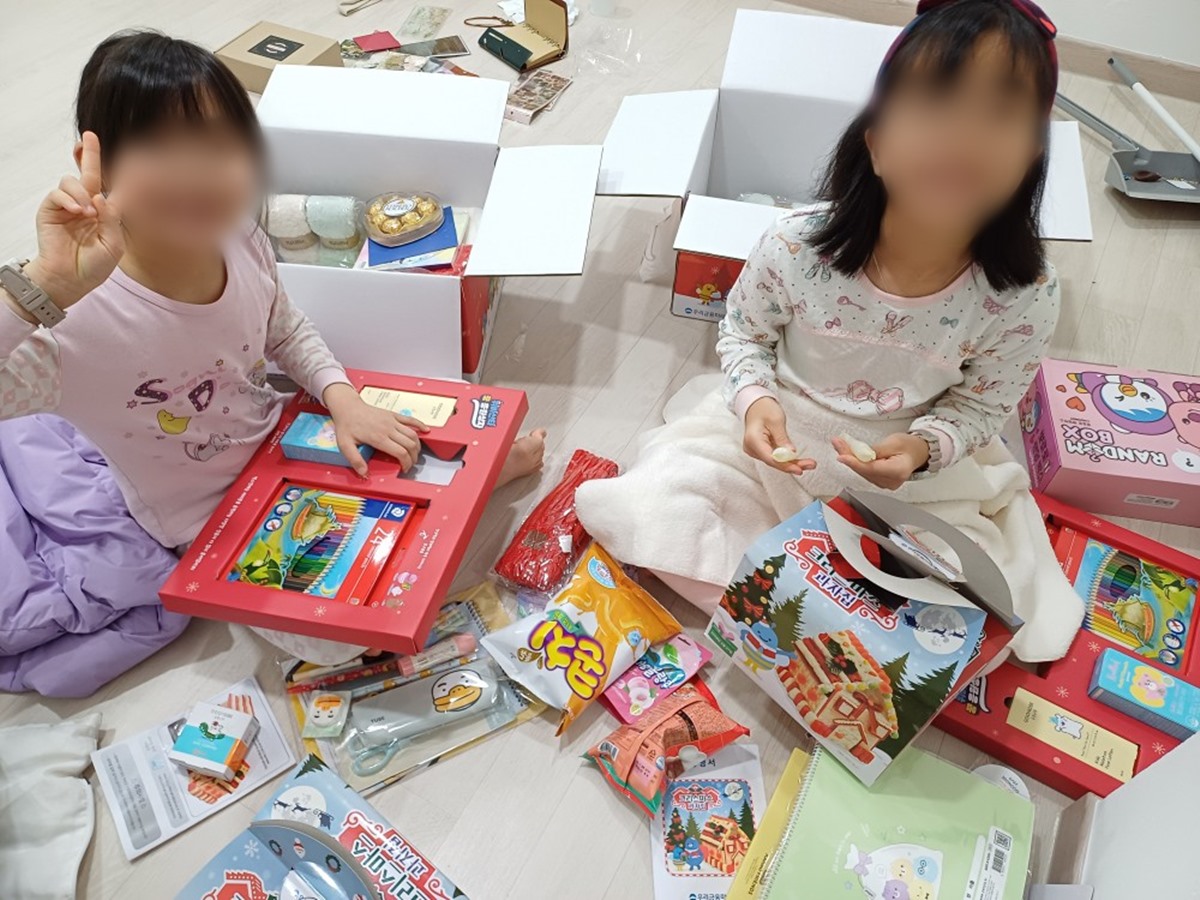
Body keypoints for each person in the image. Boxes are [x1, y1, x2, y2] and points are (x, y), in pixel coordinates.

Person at [0, 32, 544, 663]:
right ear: (95, 162)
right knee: (330, 642)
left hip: (284, 440)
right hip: (208, 515)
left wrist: (342, 398)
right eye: (162, 150)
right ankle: (464, 496)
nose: (199, 177)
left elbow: (284, 329)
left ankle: (466, 486)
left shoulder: (238, 236)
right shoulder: (63, 324)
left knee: (427, 423)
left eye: (221, 147)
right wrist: (40, 289)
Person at [576, 0, 1068, 620]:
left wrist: (921, 450)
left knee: (970, 597)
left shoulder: (1026, 294)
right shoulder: (797, 244)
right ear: (877, 144)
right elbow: (743, 336)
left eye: (999, 113)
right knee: (647, 508)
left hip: (906, 474)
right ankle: (796, 605)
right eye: (935, 104)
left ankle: (800, 605)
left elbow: (980, 407)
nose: (962, 138)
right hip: (781, 435)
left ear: (1032, 155)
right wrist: (756, 403)